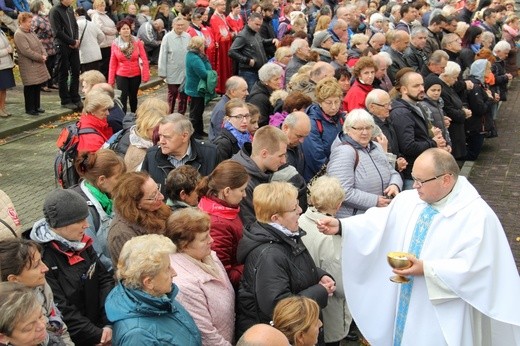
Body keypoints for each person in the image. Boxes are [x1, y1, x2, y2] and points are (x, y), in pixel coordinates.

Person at [317, 148, 520, 346]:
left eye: (420, 181)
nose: (414, 186)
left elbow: (478, 268)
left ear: (446, 179)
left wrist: (427, 269)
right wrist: (343, 226)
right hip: (407, 298)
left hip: (444, 311)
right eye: (414, 178)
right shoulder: (411, 199)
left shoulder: (476, 216)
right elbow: (380, 223)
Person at [235, 181, 335, 339]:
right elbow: (279, 306)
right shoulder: (269, 255)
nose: (301, 210)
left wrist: (319, 275)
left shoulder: (285, 234)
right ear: (276, 218)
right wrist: (320, 291)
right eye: (294, 208)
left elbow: (294, 266)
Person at [30, 189, 114, 346]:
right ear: (60, 225)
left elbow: (104, 279)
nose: (86, 225)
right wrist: (97, 335)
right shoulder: (43, 259)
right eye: (80, 221)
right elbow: (61, 307)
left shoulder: (81, 242)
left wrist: (108, 323)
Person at [105, 234, 202, 345]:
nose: (174, 273)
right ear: (148, 282)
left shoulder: (160, 298)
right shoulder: (137, 336)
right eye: (167, 268)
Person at [299, 176, 359, 344]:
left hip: (304, 305)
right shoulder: (330, 236)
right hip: (327, 313)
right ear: (339, 205)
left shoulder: (300, 220)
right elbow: (339, 286)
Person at [165, 209, 235, 345]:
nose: (212, 240)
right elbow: (206, 335)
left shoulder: (209, 256)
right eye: (204, 238)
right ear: (184, 245)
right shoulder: (184, 283)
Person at [328, 109, 402, 217]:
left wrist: (395, 185)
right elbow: (342, 192)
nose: (365, 132)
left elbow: (393, 172)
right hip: (356, 219)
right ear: (348, 129)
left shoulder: (376, 147)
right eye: (359, 128)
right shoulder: (344, 152)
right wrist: (375, 201)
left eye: (368, 127)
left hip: (379, 214)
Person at [0, 239, 74, 345]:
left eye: (40, 316)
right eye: (36, 266)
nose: (46, 268)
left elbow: (61, 328)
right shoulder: (6, 312)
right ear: (14, 280)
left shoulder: (41, 287)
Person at [197, 160, 249, 289]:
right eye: (242, 190)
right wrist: (252, 266)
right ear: (226, 191)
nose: (245, 195)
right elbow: (223, 273)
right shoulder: (218, 224)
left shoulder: (226, 209)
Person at [73, 149, 126, 272]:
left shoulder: (107, 196)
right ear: (102, 180)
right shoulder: (84, 211)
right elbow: (95, 255)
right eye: (118, 177)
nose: (122, 181)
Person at [390, 71, 444, 189]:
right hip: (411, 174)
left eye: (422, 85)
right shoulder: (402, 113)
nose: (421, 89)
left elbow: (418, 135)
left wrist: (431, 134)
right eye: (416, 86)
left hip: (419, 170)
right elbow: (408, 146)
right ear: (404, 89)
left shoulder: (416, 105)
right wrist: (434, 143)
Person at [141, 113, 220, 194]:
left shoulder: (211, 153)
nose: (161, 141)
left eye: (167, 137)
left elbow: (219, 190)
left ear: (185, 136)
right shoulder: (151, 156)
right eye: (160, 136)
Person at [107, 172, 171, 266]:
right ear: (135, 204)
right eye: (153, 196)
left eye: (158, 189)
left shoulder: (155, 209)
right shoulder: (122, 234)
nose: (161, 196)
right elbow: (135, 273)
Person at [230, 125, 288, 229]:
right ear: (264, 153)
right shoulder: (243, 183)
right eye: (280, 155)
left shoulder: (263, 170)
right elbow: (251, 225)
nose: (284, 161)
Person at [302, 77, 345, 182]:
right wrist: (334, 176)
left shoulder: (341, 118)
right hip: (321, 178)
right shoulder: (312, 123)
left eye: (337, 101)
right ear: (320, 102)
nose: (334, 107)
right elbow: (316, 157)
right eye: (329, 103)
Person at [109, 19, 150, 113]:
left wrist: (145, 74)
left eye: (128, 28)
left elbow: (144, 58)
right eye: (123, 29)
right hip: (121, 75)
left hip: (135, 74)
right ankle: (122, 118)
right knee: (122, 98)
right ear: (119, 31)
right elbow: (112, 62)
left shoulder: (137, 41)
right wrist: (111, 80)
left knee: (133, 97)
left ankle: (133, 115)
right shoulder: (115, 43)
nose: (126, 30)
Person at [229, 12, 277, 91]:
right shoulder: (243, 35)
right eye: (256, 24)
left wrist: (271, 40)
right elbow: (231, 52)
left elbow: (262, 41)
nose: (258, 27)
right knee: (250, 96)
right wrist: (247, 60)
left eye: (260, 25)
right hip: (248, 72)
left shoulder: (255, 33)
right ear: (249, 21)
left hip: (258, 71)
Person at [14, 12, 50, 116]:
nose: (31, 23)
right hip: (29, 64)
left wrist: (44, 53)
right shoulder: (19, 34)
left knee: (37, 84)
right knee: (30, 85)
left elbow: (39, 44)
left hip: (37, 62)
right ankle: (30, 108)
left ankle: (36, 106)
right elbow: (26, 51)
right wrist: (40, 57)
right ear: (22, 22)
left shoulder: (31, 31)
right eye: (29, 21)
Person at [49, 0, 82, 111]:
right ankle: (65, 99)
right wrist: (71, 42)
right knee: (63, 72)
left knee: (76, 71)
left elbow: (75, 26)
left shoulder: (70, 9)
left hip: (73, 45)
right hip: (62, 45)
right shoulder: (55, 10)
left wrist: (76, 40)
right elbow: (57, 31)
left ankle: (75, 96)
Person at [124, 97, 169, 171]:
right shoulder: (139, 151)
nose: (160, 133)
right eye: (156, 130)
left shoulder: (144, 140)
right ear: (147, 127)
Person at [439, 61, 471, 161]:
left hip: (457, 129)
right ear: (446, 76)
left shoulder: (448, 87)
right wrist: (463, 113)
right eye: (454, 77)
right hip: (453, 130)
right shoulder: (442, 89)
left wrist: (463, 108)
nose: (456, 80)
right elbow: (448, 109)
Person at [159, 17, 190, 115]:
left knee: (183, 96)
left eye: (182, 25)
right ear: (173, 25)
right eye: (178, 25)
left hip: (185, 72)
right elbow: (162, 54)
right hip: (172, 70)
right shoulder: (167, 37)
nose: (180, 27)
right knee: (172, 94)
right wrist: (162, 72)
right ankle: (169, 114)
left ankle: (181, 115)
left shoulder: (188, 36)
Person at [185, 36, 215, 139]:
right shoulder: (194, 58)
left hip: (196, 88)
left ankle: (199, 131)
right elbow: (203, 74)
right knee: (195, 113)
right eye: (203, 44)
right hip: (196, 89)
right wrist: (212, 73)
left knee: (199, 111)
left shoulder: (195, 55)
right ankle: (194, 134)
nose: (204, 46)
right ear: (198, 46)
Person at [209, 76, 249, 140]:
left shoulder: (231, 106)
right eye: (244, 90)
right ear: (232, 92)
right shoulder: (222, 110)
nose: (247, 93)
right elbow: (220, 137)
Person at [247, 62, 284, 127]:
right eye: (276, 79)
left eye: (280, 78)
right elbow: (260, 123)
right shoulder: (258, 99)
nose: (280, 81)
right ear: (266, 81)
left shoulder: (271, 90)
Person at [31, 0, 56, 93]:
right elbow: (35, 32)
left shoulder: (44, 16)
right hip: (43, 45)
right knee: (45, 64)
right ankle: (43, 84)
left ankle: (50, 82)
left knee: (51, 64)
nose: (43, 6)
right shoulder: (35, 18)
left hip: (50, 44)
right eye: (41, 5)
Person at [210, 0, 234, 94]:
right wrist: (227, 36)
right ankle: (221, 88)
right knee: (222, 67)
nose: (224, 6)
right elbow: (217, 33)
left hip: (227, 45)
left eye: (224, 4)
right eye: (221, 5)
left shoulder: (223, 16)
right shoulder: (214, 18)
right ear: (216, 6)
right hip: (221, 47)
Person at [89, 0, 116, 78]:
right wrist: (113, 31)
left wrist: (114, 30)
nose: (102, 7)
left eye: (103, 5)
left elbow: (113, 25)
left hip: (110, 42)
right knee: (103, 65)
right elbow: (100, 28)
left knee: (108, 64)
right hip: (104, 44)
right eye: (100, 5)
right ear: (96, 6)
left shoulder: (105, 15)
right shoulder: (96, 15)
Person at [75, 7, 104, 73]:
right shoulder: (92, 23)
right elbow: (102, 36)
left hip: (85, 55)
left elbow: (77, 39)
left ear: (76, 14)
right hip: (96, 54)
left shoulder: (77, 24)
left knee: (87, 79)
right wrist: (96, 43)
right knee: (96, 76)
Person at [0, 28, 15, 117]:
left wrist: (10, 48)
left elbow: (8, 45)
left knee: (4, 88)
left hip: (6, 64)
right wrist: (6, 51)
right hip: (1, 65)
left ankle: (3, 107)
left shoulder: (1, 31)